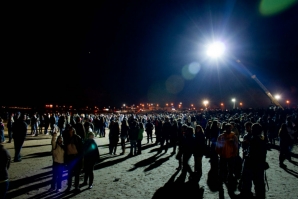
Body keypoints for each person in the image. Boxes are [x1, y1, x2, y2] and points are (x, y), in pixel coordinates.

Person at [215, 123, 238, 195]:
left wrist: (234, 153)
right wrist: (219, 153)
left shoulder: (234, 136)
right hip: (223, 155)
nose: (229, 129)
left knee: (230, 170)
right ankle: (221, 181)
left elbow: (236, 146)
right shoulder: (221, 136)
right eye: (227, 128)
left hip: (231, 156)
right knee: (222, 169)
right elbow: (218, 146)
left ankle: (229, 181)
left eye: (230, 128)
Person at [64, 125, 83, 192]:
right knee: (69, 173)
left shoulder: (77, 138)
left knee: (77, 173)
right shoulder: (67, 138)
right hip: (70, 158)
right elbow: (65, 149)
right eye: (69, 130)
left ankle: (76, 186)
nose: (70, 131)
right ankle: (69, 186)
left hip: (76, 157)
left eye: (71, 130)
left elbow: (81, 149)